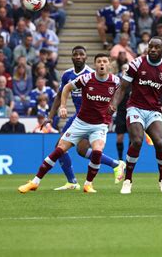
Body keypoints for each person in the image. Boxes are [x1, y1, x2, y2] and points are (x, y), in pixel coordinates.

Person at [18, 53, 121, 194]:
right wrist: (63, 106)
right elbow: (66, 88)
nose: (102, 64)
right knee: (59, 150)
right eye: (99, 61)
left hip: (100, 124)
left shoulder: (115, 81)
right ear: (95, 64)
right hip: (80, 123)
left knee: (97, 151)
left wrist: (114, 104)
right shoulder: (86, 78)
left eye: (104, 61)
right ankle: (35, 182)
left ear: (109, 64)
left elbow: (121, 92)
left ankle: (88, 184)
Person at [43, 46, 125, 191]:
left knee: (61, 147)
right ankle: (115, 164)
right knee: (81, 150)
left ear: (87, 58)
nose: (79, 57)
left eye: (82, 55)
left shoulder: (92, 74)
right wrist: (51, 116)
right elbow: (61, 93)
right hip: (79, 116)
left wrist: (113, 106)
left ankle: (74, 181)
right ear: (72, 57)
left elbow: (116, 90)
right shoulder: (67, 74)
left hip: (91, 118)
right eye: (76, 55)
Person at [110, 37, 162, 195]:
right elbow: (123, 87)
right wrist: (114, 104)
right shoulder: (137, 63)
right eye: (150, 47)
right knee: (137, 141)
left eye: (156, 47)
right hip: (135, 108)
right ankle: (128, 180)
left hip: (154, 111)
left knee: (160, 143)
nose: (152, 49)